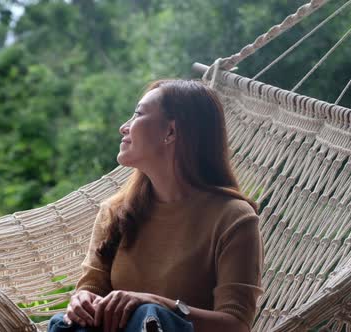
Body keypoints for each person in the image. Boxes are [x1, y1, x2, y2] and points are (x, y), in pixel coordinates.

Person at [48, 79, 263, 332]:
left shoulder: (233, 219)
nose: (123, 127)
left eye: (138, 114)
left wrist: (159, 304)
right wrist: (82, 301)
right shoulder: (116, 212)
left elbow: (236, 325)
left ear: (170, 132)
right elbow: (91, 287)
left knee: (149, 314)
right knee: (65, 325)